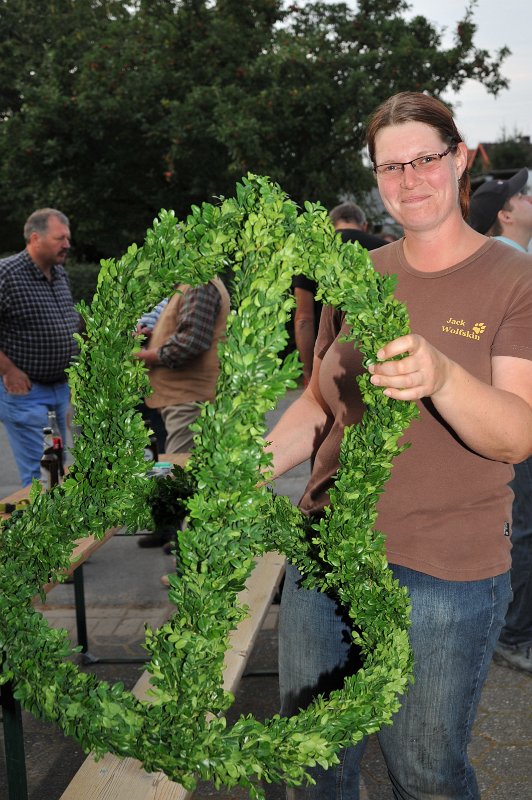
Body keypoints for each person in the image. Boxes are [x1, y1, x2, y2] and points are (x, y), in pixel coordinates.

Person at [266, 92, 532, 799]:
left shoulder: (515, 277)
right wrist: (238, 473)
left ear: (462, 158)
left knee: (425, 775)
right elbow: (320, 404)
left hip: (445, 573)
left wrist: (441, 374)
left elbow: (515, 433)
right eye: (391, 167)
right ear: (375, 176)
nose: (410, 179)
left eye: (426, 159)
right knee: (313, 764)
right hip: (325, 557)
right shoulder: (358, 274)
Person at [469, 168, 532, 674]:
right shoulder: (508, 263)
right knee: (526, 525)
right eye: (524, 194)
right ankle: (515, 633)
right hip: (514, 416)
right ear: (505, 213)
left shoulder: (519, 258)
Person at [134, 278, 230, 550]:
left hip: (189, 399)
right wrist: (151, 338)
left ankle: (190, 571)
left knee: (182, 481)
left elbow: (191, 341)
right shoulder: (190, 282)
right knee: (185, 479)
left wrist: (145, 356)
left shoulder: (199, 282)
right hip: (184, 397)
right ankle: (189, 557)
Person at [0, 208, 80, 487]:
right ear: (36, 238)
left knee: (58, 470)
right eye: (60, 238)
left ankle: (59, 529)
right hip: (26, 390)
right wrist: (8, 370)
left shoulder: (60, 274)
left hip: (60, 388)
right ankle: (37, 529)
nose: (67, 244)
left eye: (68, 238)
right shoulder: (6, 274)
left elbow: (66, 323)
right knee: (40, 476)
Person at [293, 203, 386, 386]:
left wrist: (309, 373)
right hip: (375, 364)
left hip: (326, 363)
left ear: (329, 225)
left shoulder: (311, 254)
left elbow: (303, 320)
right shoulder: (386, 250)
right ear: (365, 225)